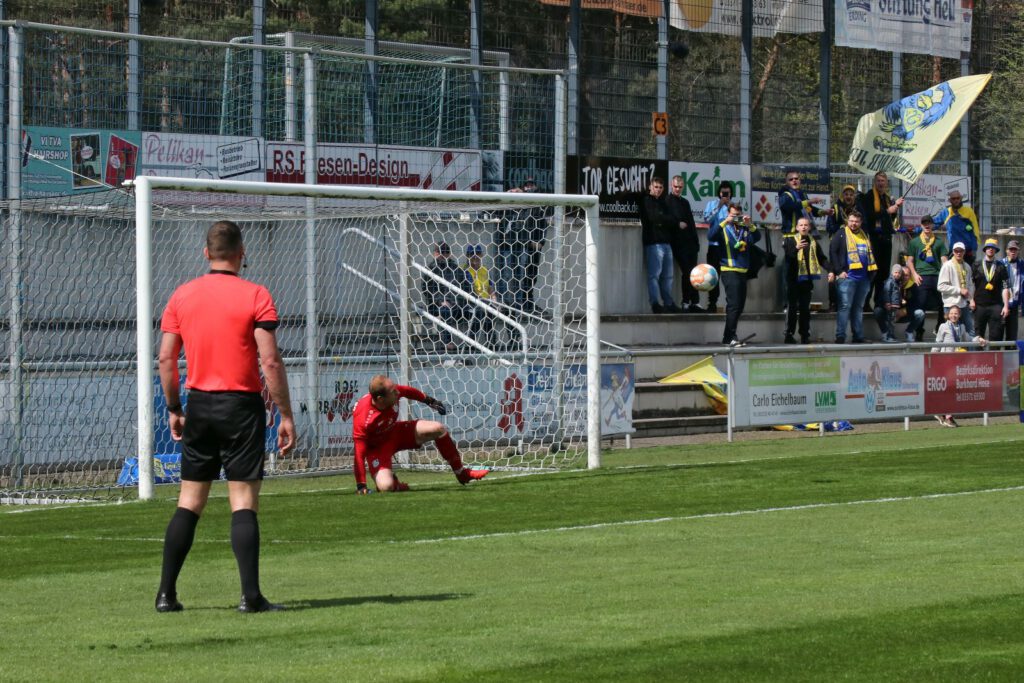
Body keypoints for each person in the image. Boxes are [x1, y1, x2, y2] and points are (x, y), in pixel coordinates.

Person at [155, 220, 297, 614]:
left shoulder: (182, 295)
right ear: (241, 253)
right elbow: (270, 359)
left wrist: (175, 408)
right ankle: (250, 597)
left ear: (206, 253)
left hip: (199, 405)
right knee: (243, 501)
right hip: (241, 406)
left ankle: (166, 594)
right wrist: (285, 414)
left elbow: (166, 359)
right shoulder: (256, 294)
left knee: (189, 501)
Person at [351, 375, 488, 493]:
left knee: (438, 428)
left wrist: (429, 401)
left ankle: (462, 473)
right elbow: (359, 454)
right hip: (378, 449)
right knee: (386, 486)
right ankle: (395, 484)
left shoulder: (393, 391)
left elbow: (408, 391)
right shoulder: (364, 418)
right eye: (393, 391)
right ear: (380, 399)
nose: (397, 392)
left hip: (396, 432)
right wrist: (361, 485)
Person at [777, 170, 833, 312]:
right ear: (786, 182)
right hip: (791, 237)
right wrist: (808, 202)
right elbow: (789, 206)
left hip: (805, 237)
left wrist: (824, 212)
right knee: (790, 269)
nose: (794, 181)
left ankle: (803, 301)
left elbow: (810, 209)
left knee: (805, 266)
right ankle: (788, 304)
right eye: (791, 179)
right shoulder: (785, 195)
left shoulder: (802, 194)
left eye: (797, 178)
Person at [707, 203, 761, 345]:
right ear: (728, 214)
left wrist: (750, 225)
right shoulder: (723, 226)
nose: (736, 218)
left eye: (738, 215)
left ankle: (729, 336)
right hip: (729, 270)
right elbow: (711, 236)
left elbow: (757, 237)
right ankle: (730, 337)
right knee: (734, 304)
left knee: (740, 306)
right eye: (733, 215)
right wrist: (725, 221)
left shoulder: (744, 228)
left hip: (743, 271)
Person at [494, 179, 548, 313]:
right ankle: (505, 304)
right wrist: (506, 196)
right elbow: (495, 213)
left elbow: (541, 224)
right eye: (526, 185)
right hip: (507, 245)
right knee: (506, 275)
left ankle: (520, 305)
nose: (528, 188)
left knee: (523, 276)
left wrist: (539, 242)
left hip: (523, 246)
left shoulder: (532, 207)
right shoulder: (508, 207)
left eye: (531, 185)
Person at [932, 305, 986, 427]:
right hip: (944, 361)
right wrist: (932, 359)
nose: (953, 315)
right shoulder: (943, 326)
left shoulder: (961, 327)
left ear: (959, 315)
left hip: (956, 363)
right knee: (948, 389)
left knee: (953, 389)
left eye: (956, 313)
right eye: (951, 313)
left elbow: (968, 338)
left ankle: (943, 413)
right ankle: (947, 416)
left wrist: (979, 339)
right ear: (948, 315)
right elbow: (937, 343)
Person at [856, 171, 904, 309]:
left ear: (887, 183)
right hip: (874, 239)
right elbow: (869, 216)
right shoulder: (869, 197)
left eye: (883, 181)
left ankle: (879, 302)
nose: (880, 183)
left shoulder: (887, 198)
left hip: (886, 238)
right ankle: (865, 303)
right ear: (874, 182)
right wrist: (888, 211)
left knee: (883, 273)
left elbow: (889, 219)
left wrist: (894, 210)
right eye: (878, 181)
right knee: (873, 271)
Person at [829, 210, 876, 344]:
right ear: (847, 221)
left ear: (860, 222)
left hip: (863, 278)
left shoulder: (864, 235)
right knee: (845, 307)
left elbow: (870, 254)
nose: (853, 224)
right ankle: (840, 336)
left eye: (856, 221)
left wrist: (871, 275)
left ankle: (858, 336)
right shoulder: (841, 233)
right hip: (848, 278)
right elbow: (833, 252)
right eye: (851, 221)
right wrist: (838, 271)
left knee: (858, 308)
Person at [783, 217, 832, 344]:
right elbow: (788, 257)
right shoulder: (790, 240)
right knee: (792, 307)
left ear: (809, 227)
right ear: (797, 227)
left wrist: (830, 270)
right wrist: (796, 248)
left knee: (805, 309)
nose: (804, 227)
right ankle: (788, 335)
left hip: (806, 280)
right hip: (793, 280)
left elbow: (822, 258)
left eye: (806, 225)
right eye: (801, 225)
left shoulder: (813, 241)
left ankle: (804, 335)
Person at [637, 176, 682, 314]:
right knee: (654, 275)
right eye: (656, 187)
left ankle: (668, 303)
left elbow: (673, 219)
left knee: (668, 276)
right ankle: (655, 303)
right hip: (653, 243)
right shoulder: (646, 201)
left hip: (666, 243)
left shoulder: (663, 203)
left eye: (661, 187)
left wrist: (664, 219)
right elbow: (654, 218)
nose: (658, 190)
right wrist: (664, 219)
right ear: (650, 187)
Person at [422, 242, 472, 352]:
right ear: (435, 253)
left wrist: (458, 301)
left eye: (445, 252)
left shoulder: (456, 269)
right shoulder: (430, 269)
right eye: (440, 252)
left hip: (456, 305)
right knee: (445, 310)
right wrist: (440, 301)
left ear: (449, 254)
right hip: (436, 306)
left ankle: (472, 343)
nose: (442, 255)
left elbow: (466, 287)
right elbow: (426, 290)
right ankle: (447, 342)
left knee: (478, 312)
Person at [905, 215, 948, 340]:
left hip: (937, 276)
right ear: (921, 225)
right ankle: (919, 331)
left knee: (943, 303)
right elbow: (909, 261)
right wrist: (914, 274)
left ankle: (939, 328)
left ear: (933, 225)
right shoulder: (914, 242)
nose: (927, 225)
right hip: (921, 277)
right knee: (920, 305)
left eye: (929, 223)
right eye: (924, 223)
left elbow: (944, 261)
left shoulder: (939, 242)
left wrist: (946, 275)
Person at [667, 174, 703, 312]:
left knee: (694, 273)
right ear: (671, 185)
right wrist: (677, 224)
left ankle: (695, 302)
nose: (677, 189)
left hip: (690, 244)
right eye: (676, 186)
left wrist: (696, 242)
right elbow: (666, 219)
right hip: (677, 243)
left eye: (680, 187)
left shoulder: (685, 202)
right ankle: (686, 301)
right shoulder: (668, 201)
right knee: (687, 272)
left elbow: (691, 223)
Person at [825, 183, 860, 311]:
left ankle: (851, 303)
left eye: (851, 194)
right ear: (842, 195)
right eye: (846, 194)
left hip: (853, 246)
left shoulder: (858, 209)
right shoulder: (835, 207)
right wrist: (842, 227)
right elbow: (829, 227)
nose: (849, 197)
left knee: (851, 274)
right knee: (834, 273)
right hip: (838, 245)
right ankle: (833, 303)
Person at [701, 181, 734, 313]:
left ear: (731, 194)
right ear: (719, 193)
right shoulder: (712, 204)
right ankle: (712, 303)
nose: (725, 195)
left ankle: (730, 303)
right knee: (713, 275)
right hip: (714, 245)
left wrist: (730, 208)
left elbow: (739, 223)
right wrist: (719, 206)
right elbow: (706, 219)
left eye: (727, 193)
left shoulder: (733, 206)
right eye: (723, 193)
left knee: (729, 276)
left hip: (728, 246)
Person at [970, 238, 1011, 342]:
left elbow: (1005, 287)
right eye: (988, 247)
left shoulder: (1001, 266)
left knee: (996, 336)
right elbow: (970, 284)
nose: (990, 249)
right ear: (985, 250)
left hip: (996, 306)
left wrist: (1006, 306)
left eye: (993, 248)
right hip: (979, 305)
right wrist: (971, 300)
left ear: (996, 250)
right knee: (978, 336)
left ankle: (994, 353)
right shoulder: (976, 265)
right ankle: (979, 353)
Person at [873, 263, 922, 342]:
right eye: (902, 275)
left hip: (905, 315)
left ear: (910, 276)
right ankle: (885, 333)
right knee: (877, 311)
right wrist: (886, 304)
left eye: (907, 275)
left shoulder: (913, 286)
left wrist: (904, 311)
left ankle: (909, 332)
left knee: (920, 313)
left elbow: (917, 304)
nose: (904, 277)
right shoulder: (889, 283)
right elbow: (879, 299)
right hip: (890, 312)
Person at [937, 241, 976, 337]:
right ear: (953, 252)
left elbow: (970, 285)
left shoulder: (967, 266)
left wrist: (971, 299)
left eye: (961, 251)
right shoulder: (947, 265)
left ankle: (971, 347)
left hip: (963, 304)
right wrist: (959, 290)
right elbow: (941, 286)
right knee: (951, 332)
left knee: (970, 330)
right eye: (956, 251)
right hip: (950, 304)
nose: (958, 253)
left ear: (964, 252)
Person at [934, 189, 979, 265]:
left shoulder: (969, 211)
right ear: (950, 200)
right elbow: (931, 224)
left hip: (967, 251)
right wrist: (915, 230)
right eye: (953, 198)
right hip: (954, 251)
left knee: (967, 272)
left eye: (958, 198)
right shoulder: (946, 212)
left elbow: (975, 231)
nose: (956, 200)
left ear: (961, 198)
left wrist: (974, 249)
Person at [464, 243, 497, 344]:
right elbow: (468, 291)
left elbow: (490, 288)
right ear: (467, 256)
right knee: (482, 312)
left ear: (481, 255)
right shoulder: (464, 270)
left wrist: (494, 299)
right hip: (472, 303)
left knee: (509, 308)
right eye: (472, 254)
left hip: (487, 301)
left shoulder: (485, 269)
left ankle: (514, 340)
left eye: (477, 253)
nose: (475, 256)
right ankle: (472, 343)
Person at [1001, 240, 1023, 341]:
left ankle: (1010, 350)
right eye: (1011, 249)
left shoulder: (1022, 264)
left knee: (1012, 335)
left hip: (1014, 303)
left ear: (1018, 251)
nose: (1013, 251)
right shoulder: (1000, 263)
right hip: (1001, 303)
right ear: (1006, 250)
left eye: (1015, 249)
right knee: (998, 333)